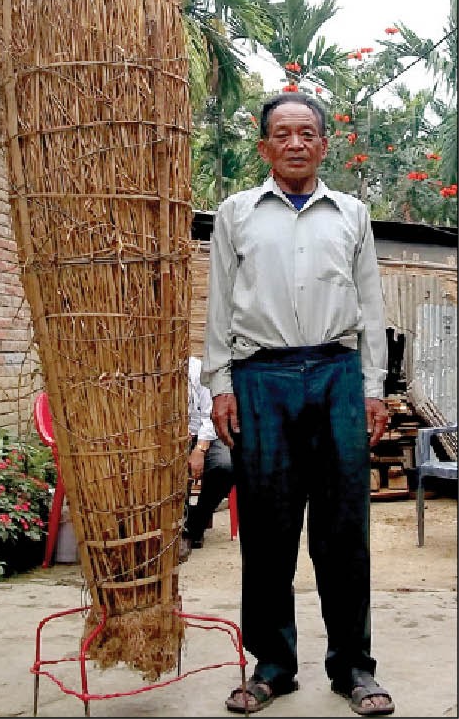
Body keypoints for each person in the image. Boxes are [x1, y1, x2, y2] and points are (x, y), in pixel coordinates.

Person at [201, 92, 394, 717]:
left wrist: (373, 389)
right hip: (263, 378)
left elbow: (370, 309)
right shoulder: (236, 215)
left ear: (322, 144)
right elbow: (218, 308)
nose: (295, 144)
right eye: (282, 134)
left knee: (344, 531)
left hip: (337, 374)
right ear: (265, 146)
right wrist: (221, 385)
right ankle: (273, 666)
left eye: (306, 133)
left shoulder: (352, 215)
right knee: (267, 530)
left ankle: (353, 668)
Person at [179, 355, 234, 564]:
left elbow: (209, 414)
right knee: (170, 468)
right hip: (171, 438)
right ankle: (177, 528)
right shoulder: (150, 372)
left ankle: (193, 526)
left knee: (225, 466)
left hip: (206, 433)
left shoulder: (197, 370)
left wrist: (200, 449)